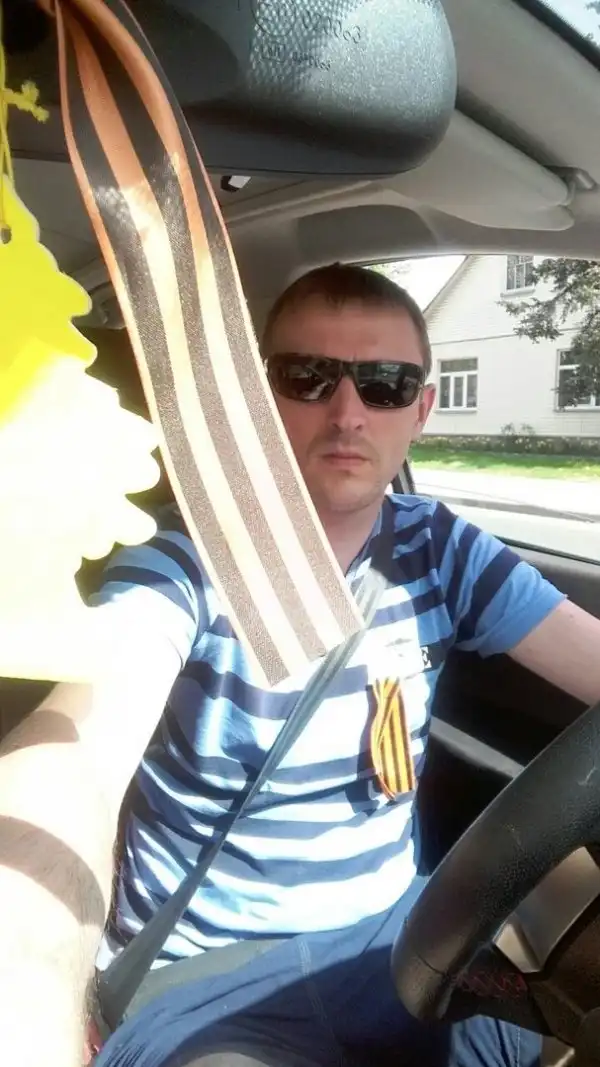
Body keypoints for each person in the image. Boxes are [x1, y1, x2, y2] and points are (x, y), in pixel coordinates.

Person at [1, 264, 600, 1067]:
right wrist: (25, 966)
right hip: (210, 973)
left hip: (399, 936)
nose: (348, 412)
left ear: (421, 409)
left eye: (385, 384)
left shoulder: (441, 548)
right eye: (307, 377)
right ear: (259, 399)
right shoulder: (182, 566)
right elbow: (77, 751)